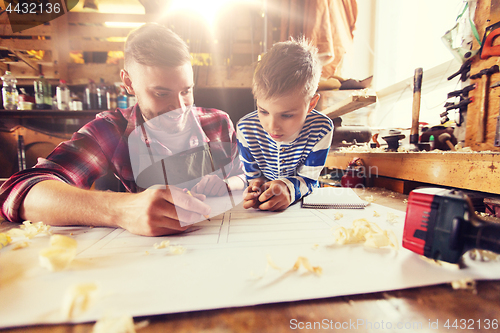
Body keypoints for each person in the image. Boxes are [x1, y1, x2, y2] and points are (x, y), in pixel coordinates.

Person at [0, 23, 245, 236]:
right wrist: (121, 209)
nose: (179, 108)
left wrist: (233, 183)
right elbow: (20, 191)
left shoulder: (218, 123)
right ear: (128, 82)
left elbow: (246, 177)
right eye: (161, 93)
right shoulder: (111, 131)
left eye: (186, 91)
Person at [237, 38, 333, 211]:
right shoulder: (245, 129)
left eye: (287, 115)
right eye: (263, 111)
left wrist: (288, 190)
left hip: (306, 210)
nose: (272, 126)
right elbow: (252, 176)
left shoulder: (322, 128)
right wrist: (255, 187)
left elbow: (310, 179)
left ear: (311, 104)